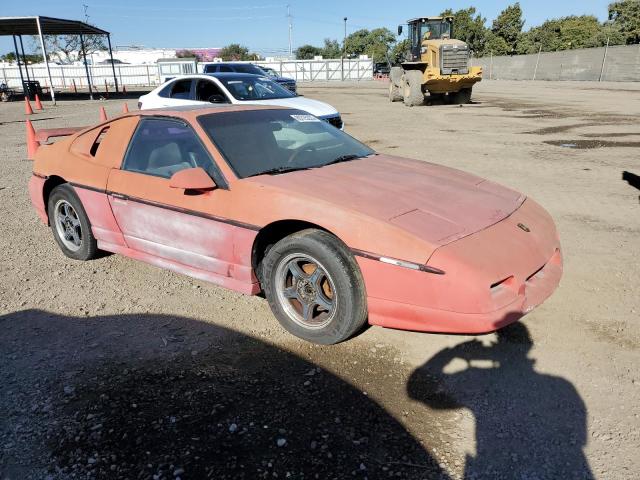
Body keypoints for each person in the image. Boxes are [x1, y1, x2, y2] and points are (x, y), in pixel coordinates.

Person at [407, 322, 594, 480]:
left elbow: (415, 392)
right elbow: (580, 436)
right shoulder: (562, 385)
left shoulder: (478, 378)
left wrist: (450, 353)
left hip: (490, 461)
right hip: (574, 465)